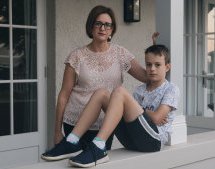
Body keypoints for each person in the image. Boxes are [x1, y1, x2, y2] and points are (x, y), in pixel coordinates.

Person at [41, 5, 148, 160]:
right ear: (91, 26)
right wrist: (57, 131)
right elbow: (64, 95)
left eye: (107, 24)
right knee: (70, 165)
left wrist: (156, 49)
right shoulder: (76, 56)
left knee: (96, 163)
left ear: (112, 29)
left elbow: (146, 76)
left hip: (105, 126)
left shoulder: (121, 54)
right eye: (98, 23)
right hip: (75, 123)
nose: (102, 28)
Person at [65, 44, 180, 167]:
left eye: (157, 65)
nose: (152, 69)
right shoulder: (139, 91)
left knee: (119, 91)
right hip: (130, 140)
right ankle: (71, 141)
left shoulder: (171, 89)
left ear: (167, 67)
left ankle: (98, 145)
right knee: (101, 94)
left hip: (152, 141)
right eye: (148, 64)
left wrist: (143, 112)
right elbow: (132, 115)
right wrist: (148, 113)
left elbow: (157, 118)